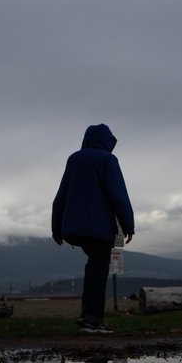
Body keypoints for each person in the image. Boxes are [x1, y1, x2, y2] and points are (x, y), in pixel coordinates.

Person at [51, 124, 135, 333]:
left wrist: (56, 228)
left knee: (93, 267)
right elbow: (118, 195)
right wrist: (128, 225)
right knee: (98, 270)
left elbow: (61, 195)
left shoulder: (74, 159)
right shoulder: (108, 160)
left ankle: (88, 316)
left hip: (73, 227)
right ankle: (92, 320)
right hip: (98, 228)